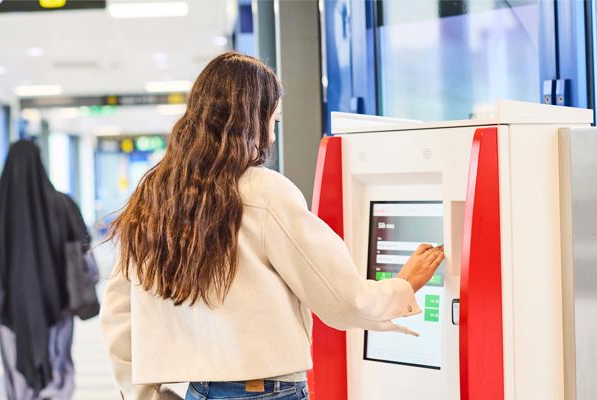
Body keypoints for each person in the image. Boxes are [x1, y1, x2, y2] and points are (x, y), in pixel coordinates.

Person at [101, 52, 445, 400]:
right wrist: (403, 286)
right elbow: (342, 299)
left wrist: (141, 394)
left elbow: (119, 310)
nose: (273, 137)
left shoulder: (155, 195)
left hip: (197, 392)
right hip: (266, 391)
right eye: (273, 121)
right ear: (252, 120)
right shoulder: (264, 192)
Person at [0, 140, 93, 400]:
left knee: (17, 370)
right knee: (58, 363)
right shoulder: (64, 205)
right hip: (59, 307)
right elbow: (86, 260)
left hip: (11, 311)